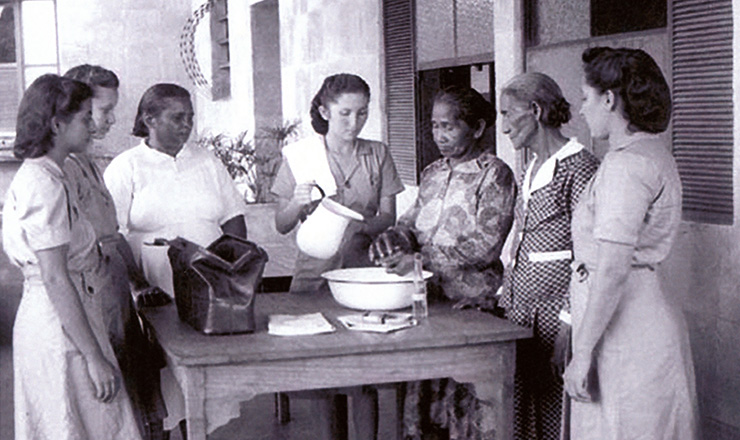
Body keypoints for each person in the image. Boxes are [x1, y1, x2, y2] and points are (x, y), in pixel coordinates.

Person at [563, 47, 698, 439]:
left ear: (609, 99)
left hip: (627, 328)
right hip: (631, 318)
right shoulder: (649, 154)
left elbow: (612, 267)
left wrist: (583, 351)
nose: (582, 110)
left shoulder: (627, 166)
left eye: (586, 98)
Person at [370, 85, 516, 439]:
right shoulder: (433, 173)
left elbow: (486, 245)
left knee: (464, 410)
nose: (440, 135)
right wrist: (394, 237)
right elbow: (413, 222)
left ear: (477, 128)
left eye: (449, 126)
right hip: (427, 303)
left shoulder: (494, 174)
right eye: (435, 126)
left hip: (471, 307)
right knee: (423, 405)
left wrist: (417, 261)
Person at [2, 74, 142, 439]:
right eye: (84, 118)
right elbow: (54, 276)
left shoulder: (56, 175)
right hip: (57, 323)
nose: (91, 126)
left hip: (72, 313)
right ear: (56, 124)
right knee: (74, 423)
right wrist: (94, 357)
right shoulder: (42, 184)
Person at [104, 83, 247, 436]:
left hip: (208, 284)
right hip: (154, 287)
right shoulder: (127, 166)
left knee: (203, 383)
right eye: (177, 117)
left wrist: (232, 269)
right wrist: (139, 285)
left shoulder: (208, 162)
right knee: (162, 383)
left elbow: (234, 219)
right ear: (149, 119)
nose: (187, 125)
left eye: (190, 118)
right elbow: (113, 233)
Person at [271, 73, 405, 440]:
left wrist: (360, 229)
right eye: (345, 113)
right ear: (324, 110)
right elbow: (281, 225)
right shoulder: (301, 157)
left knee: (365, 372)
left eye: (362, 113)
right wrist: (297, 205)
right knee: (322, 371)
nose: (354, 122)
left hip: (364, 275)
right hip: (314, 273)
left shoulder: (377, 153)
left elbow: (388, 215)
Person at [63, 64, 168, 440]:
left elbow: (111, 233)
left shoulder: (87, 162)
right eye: (103, 110)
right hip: (92, 294)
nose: (110, 119)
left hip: (115, 290)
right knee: (107, 404)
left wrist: (137, 283)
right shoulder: (63, 171)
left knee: (137, 392)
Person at [497, 72, 599, 440]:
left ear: (536, 111)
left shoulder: (580, 168)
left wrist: (568, 328)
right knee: (521, 412)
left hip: (557, 318)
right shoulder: (530, 167)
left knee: (558, 416)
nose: (504, 127)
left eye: (508, 114)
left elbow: (588, 258)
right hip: (522, 313)